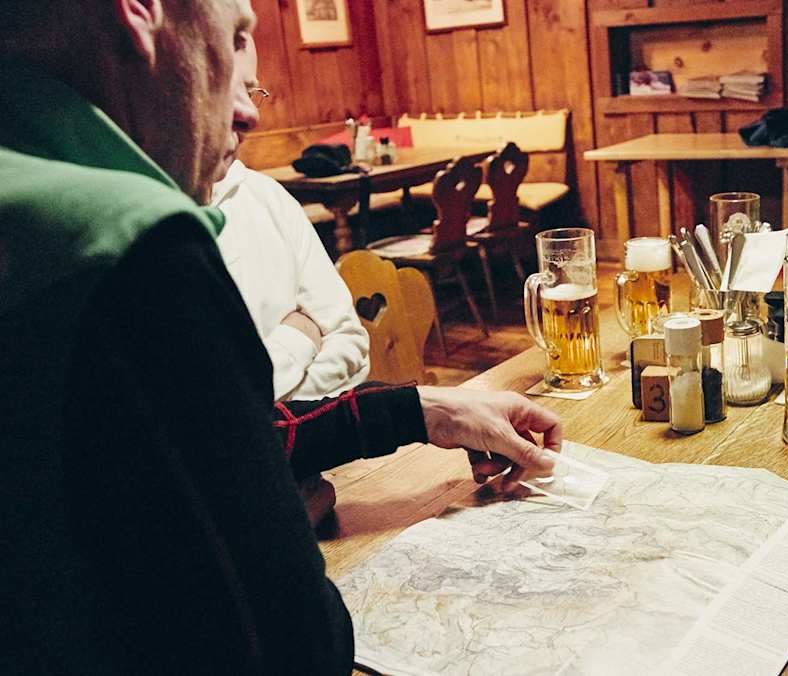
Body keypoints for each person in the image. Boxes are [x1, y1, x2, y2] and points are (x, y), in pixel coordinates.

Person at [0, 2, 559, 673]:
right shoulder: (126, 238)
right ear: (142, 11)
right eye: (233, 33)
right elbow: (296, 644)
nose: (252, 113)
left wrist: (425, 409)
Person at [211, 34, 369, 402]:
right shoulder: (132, 229)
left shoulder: (267, 197)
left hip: (320, 434)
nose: (248, 117)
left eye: (250, 92)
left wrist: (259, 397)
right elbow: (209, 410)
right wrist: (299, 337)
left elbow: (351, 344)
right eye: (221, 89)